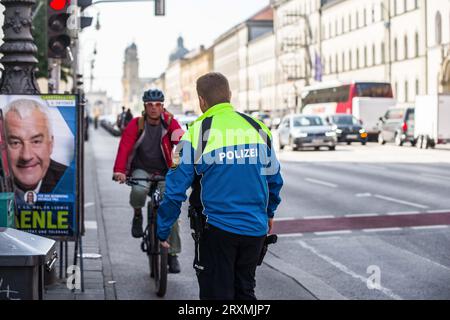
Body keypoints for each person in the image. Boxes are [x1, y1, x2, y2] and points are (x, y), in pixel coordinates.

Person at [156, 72, 284, 300]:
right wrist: (269, 213)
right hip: (255, 230)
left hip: (218, 230)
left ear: (201, 101)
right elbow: (274, 179)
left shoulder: (197, 132)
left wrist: (163, 229)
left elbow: (175, 190)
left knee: (216, 294)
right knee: (245, 291)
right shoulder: (257, 128)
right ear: (229, 96)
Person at [113, 89, 185, 273]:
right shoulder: (137, 124)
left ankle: (173, 254)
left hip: (164, 172)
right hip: (141, 169)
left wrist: (186, 160)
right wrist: (120, 171)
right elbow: (125, 146)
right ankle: (138, 214)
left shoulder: (170, 122)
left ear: (163, 106)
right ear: (145, 106)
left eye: (158, 105)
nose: (154, 108)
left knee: (171, 211)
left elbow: (182, 141)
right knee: (139, 191)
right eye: (150, 105)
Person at [4, 99, 68, 195]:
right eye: (15, 143)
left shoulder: (68, 180)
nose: (26, 156)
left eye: (36, 141)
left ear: (50, 144)